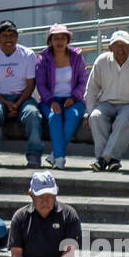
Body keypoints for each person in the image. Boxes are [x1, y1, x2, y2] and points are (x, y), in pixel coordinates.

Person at [85, 30, 129, 172]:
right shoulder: (101, 60)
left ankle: (103, 160)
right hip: (106, 104)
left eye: (124, 45)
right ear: (110, 48)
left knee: (123, 120)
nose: (120, 49)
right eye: (116, 45)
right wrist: (89, 112)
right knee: (96, 117)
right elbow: (91, 89)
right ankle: (112, 160)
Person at [0, 20, 41, 167]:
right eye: (4, 36)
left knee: (33, 114)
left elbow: (30, 84)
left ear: (17, 37)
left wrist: (17, 104)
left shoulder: (28, 54)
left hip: (23, 97)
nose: (8, 39)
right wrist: (6, 103)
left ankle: (34, 156)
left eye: (12, 35)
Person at [34, 24, 87, 170]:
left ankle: (56, 153)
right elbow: (41, 84)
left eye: (63, 38)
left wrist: (74, 97)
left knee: (74, 115)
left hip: (73, 99)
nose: (59, 41)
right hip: (50, 99)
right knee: (54, 116)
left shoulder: (76, 57)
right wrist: (51, 101)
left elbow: (83, 81)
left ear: (68, 40)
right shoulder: (43, 59)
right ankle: (59, 158)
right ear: (50, 40)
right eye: (56, 38)